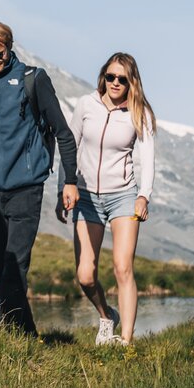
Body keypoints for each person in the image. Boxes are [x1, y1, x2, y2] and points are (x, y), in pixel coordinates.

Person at [0, 22, 78, 335]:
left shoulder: (33, 80)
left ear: (9, 47)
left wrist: (69, 181)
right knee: (1, 269)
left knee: (15, 266)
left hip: (26, 187)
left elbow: (63, 134)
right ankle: (27, 334)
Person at [66, 52, 156, 345]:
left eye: (122, 79)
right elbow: (70, 150)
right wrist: (64, 188)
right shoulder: (85, 106)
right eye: (110, 76)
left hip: (122, 197)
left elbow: (148, 159)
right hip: (87, 197)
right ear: (103, 76)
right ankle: (107, 316)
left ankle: (126, 341)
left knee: (122, 267)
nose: (115, 83)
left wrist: (143, 196)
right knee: (85, 276)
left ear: (132, 83)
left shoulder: (139, 112)